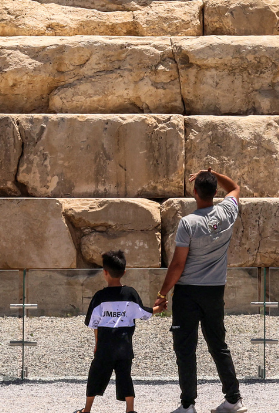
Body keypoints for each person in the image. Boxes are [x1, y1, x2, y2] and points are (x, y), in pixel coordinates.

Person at [152, 169, 245, 413]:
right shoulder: (226, 213)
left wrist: (162, 293)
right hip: (215, 291)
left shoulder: (188, 223)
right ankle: (233, 399)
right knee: (218, 344)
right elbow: (234, 188)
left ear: (194, 192)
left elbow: (178, 264)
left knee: (185, 347)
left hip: (188, 293)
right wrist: (211, 173)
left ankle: (188, 404)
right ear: (215, 193)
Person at [75, 249, 152, 413]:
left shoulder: (99, 296)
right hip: (124, 345)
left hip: (105, 346)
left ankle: (86, 410)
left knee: (96, 376)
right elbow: (144, 312)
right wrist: (159, 307)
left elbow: (93, 324)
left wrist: (97, 344)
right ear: (124, 272)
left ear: (104, 272)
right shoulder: (130, 294)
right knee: (125, 377)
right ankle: (130, 410)